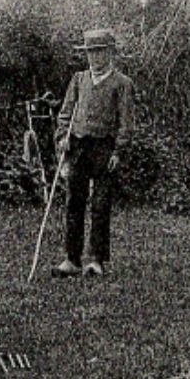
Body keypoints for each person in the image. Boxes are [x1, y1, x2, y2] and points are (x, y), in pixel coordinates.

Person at [53, 27, 135, 278]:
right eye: (90, 53)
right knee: (73, 202)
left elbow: (126, 122)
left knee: (100, 204)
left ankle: (96, 259)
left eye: (99, 52)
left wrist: (118, 151)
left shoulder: (122, 84)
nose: (94, 58)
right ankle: (72, 258)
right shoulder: (78, 80)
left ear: (110, 53)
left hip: (104, 149)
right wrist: (62, 139)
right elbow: (65, 113)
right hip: (78, 146)